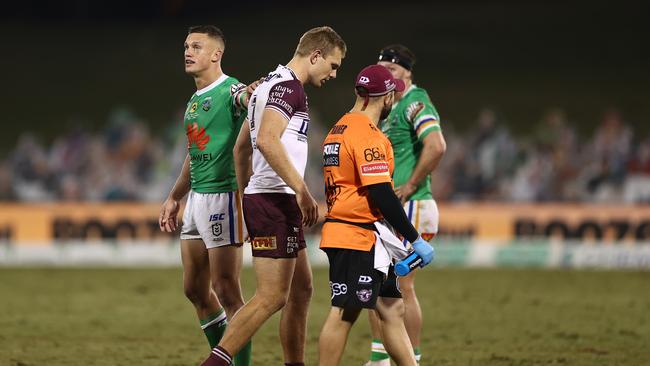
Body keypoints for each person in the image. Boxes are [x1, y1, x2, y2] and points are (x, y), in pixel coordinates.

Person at [202, 26, 346, 366]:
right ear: (315, 56)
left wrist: (245, 202)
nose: (334, 73)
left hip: (268, 198)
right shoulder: (288, 89)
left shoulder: (267, 84)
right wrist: (302, 191)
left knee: (301, 290)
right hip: (276, 200)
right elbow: (266, 140)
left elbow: (241, 150)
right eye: (334, 65)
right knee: (271, 297)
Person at [317, 64, 435, 366]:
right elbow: (382, 193)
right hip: (354, 235)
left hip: (359, 234)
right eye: (392, 96)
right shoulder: (367, 135)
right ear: (384, 98)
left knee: (391, 308)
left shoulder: (339, 127)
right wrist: (414, 238)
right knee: (344, 312)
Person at [158, 25, 257, 366]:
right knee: (195, 290)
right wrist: (175, 196)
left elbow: (246, 97)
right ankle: (225, 357)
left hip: (224, 198)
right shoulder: (194, 101)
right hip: (197, 199)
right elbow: (194, 150)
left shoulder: (230, 91)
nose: (188, 51)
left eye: (197, 46)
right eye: (186, 46)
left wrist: (253, 93)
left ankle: (238, 362)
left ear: (216, 54)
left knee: (227, 290)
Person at [365, 44, 447, 366]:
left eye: (394, 69)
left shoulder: (415, 102)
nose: (387, 74)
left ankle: (406, 358)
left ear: (408, 72)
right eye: (382, 68)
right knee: (382, 284)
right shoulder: (391, 106)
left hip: (411, 205)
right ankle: (384, 357)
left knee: (400, 286)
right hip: (399, 208)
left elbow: (436, 145)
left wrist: (410, 184)